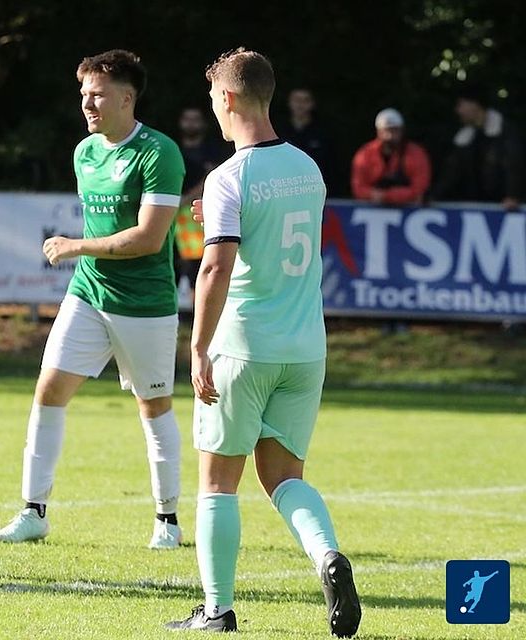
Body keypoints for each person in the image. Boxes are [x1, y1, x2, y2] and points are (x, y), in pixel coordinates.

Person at [165, 48, 361, 637]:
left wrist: (198, 348)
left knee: (218, 481)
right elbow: (272, 230)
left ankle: (216, 609)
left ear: (227, 99)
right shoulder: (308, 168)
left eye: (213, 101)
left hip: (244, 345)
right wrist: (216, 214)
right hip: (304, 348)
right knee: (283, 476)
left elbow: (215, 269)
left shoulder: (231, 176)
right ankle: (327, 555)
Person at [0, 49, 186, 550]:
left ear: (126, 97)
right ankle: (33, 510)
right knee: (49, 388)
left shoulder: (159, 152)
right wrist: (84, 259)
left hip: (144, 303)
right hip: (89, 293)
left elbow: (148, 238)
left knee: (154, 405)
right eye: (83, 95)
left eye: (97, 94)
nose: (88, 104)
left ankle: (167, 521)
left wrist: (75, 246)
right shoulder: (85, 152)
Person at [434, 86, 524, 211]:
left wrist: (513, 195)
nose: (457, 110)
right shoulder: (463, 138)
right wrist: (433, 197)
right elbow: (451, 173)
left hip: (504, 208)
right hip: (477, 207)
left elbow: (514, 166)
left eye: (460, 105)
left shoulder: (507, 132)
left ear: (474, 104)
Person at [174, 106, 228, 303]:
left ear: (203, 124)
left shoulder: (213, 151)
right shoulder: (174, 150)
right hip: (174, 217)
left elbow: (211, 178)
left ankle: (200, 313)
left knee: (198, 266)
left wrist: (185, 199)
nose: (191, 124)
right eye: (187, 119)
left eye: (195, 119)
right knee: (175, 265)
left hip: (198, 215)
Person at [351, 108, 431, 205]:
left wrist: (386, 196)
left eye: (395, 130)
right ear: (378, 131)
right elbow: (359, 187)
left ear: (402, 130)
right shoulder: (365, 154)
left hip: (408, 209)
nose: (390, 135)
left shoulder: (416, 154)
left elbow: (420, 188)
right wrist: (372, 195)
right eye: (386, 130)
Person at [279, 88, 337, 195]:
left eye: (305, 101)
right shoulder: (278, 131)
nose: (300, 105)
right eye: (296, 100)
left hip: (317, 190)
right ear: (289, 103)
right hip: (285, 190)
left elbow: (331, 166)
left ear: (312, 104)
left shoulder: (323, 132)